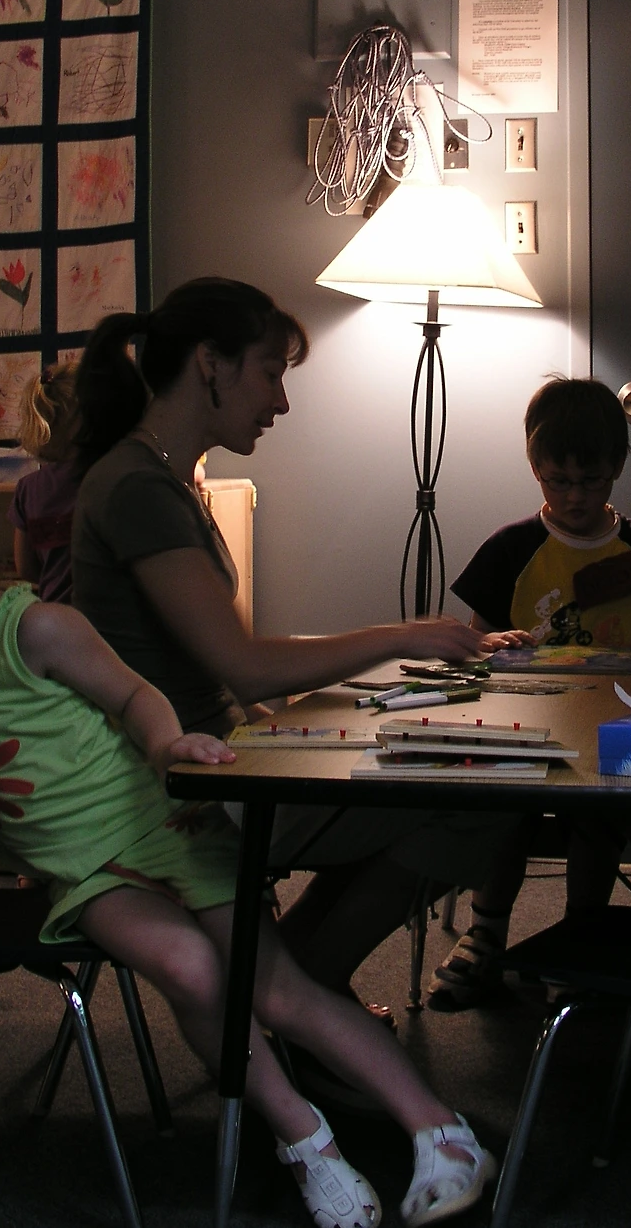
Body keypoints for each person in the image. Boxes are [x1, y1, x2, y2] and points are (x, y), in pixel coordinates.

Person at [0, 450, 497, 1228]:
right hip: (85, 870)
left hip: (161, 826)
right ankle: (307, 1140)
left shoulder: (38, 626)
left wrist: (169, 745)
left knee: (276, 988)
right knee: (190, 970)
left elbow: (136, 697)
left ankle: (442, 1133)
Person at [70, 278, 516, 1004]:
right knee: (475, 797)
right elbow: (245, 667)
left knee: (414, 761)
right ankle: (307, 985)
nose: (280, 402)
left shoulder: (161, 480)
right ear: (210, 363)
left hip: (219, 761)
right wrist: (404, 636)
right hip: (187, 790)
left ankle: (293, 978)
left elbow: (217, 670)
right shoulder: (137, 489)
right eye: (271, 373)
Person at [428, 378, 631, 1009]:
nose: (575, 497)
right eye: (558, 481)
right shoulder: (510, 548)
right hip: (524, 730)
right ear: (535, 467)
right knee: (505, 808)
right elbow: (475, 648)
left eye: (591, 481)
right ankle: (487, 932)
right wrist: (493, 644)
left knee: (599, 816)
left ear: (617, 467)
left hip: (612, 734)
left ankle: (580, 936)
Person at [9, 362, 81, 604]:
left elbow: (26, 568)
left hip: (54, 612)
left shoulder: (28, 489)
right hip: (100, 615)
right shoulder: (105, 478)